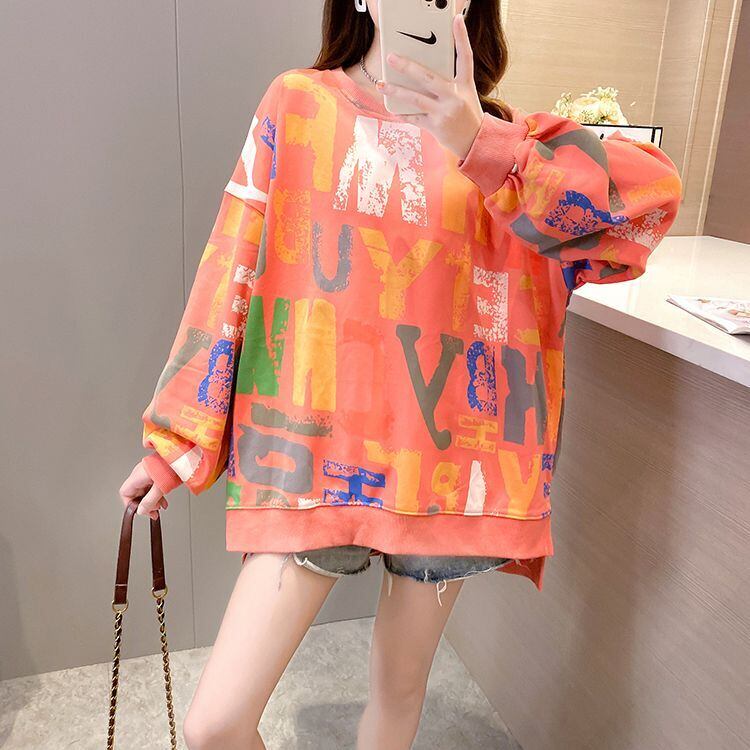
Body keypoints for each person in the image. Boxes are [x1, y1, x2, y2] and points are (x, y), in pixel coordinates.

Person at [119, 1, 683, 747]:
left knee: (399, 691)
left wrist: (478, 141)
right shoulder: (299, 102)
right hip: (313, 456)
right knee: (215, 724)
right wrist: (174, 443)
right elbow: (233, 268)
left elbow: (646, 206)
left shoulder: (511, 140)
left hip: (450, 467)